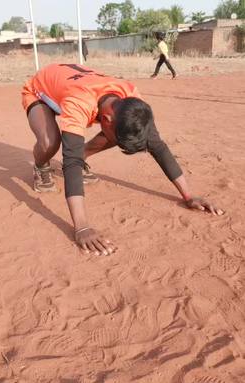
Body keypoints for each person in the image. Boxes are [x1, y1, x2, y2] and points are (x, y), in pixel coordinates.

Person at [22, 63, 223, 256]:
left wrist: (188, 196)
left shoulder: (131, 97)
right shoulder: (78, 103)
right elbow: (71, 162)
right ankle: (41, 166)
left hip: (74, 86)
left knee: (122, 134)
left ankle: (88, 152)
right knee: (50, 143)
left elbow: (156, 144)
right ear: (106, 120)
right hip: (41, 91)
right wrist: (82, 227)